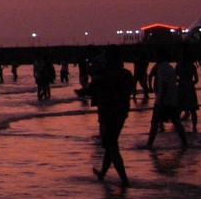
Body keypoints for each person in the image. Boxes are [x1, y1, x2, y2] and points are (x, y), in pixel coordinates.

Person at [79, 47, 136, 187]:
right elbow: (130, 89)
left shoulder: (104, 77)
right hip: (122, 113)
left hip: (107, 115)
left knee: (111, 146)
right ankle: (102, 174)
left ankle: (124, 180)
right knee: (112, 144)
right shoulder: (127, 74)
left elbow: (89, 94)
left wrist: (81, 93)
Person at [147, 50, 188, 148]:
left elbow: (163, 84)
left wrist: (160, 99)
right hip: (171, 99)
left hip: (163, 100)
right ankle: (185, 142)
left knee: (155, 122)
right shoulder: (170, 68)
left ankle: (149, 144)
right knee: (176, 121)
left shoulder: (162, 68)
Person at [175, 49, 199, 133]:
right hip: (190, 87)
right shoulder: (192, 66)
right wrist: (190, 83)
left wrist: (180, 81)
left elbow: (175, 77)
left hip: (181, 87)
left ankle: (177, 126)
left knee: (179, 108)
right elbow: (196, 79)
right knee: (193, 109)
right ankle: (194, 127)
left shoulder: (178, 65)